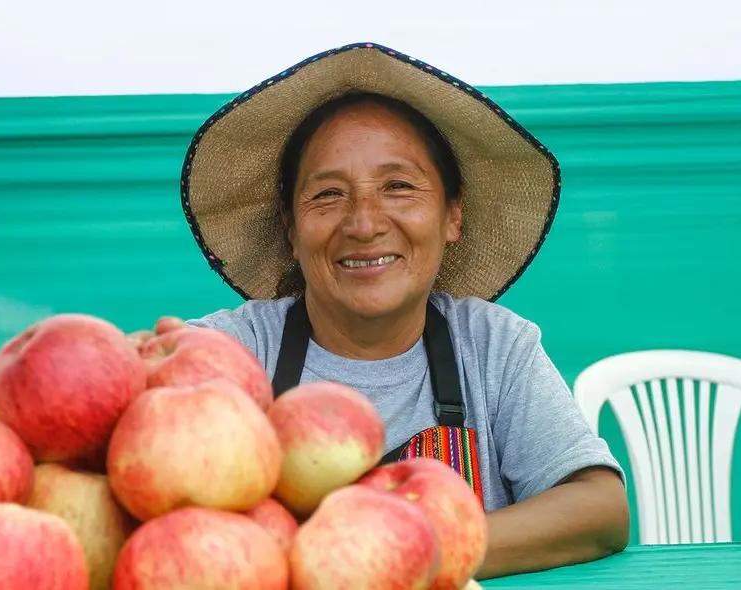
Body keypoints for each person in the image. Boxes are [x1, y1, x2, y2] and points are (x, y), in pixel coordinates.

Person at [179, 42, 630, 579]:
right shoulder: (232, 354)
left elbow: (601, 509)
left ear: (452, 216)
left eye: (398, 187)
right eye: (327, 194)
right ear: (290, 229)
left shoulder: (491, 346)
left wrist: (403, 553)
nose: (364, 224)